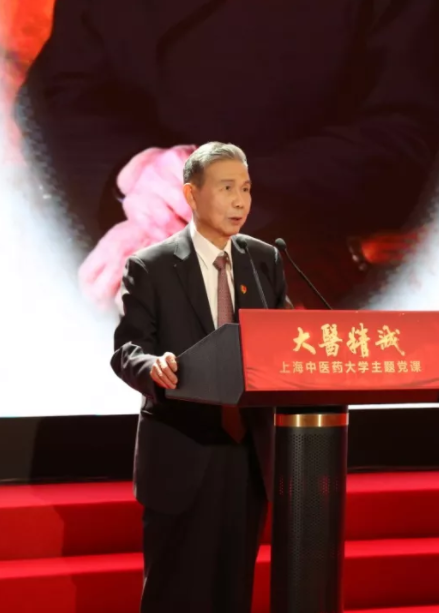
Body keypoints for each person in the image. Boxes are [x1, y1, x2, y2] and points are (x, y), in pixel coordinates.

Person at [15, 0, 439, 309]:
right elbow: (57, 94)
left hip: (321, 269)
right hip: (113, 250)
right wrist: (138, 170)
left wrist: (213, 199)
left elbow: (411, 137)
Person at [111, 143, 286, 612]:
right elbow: (127, 351)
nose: (240, 201)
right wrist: (154, 367)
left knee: (233, 591)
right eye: (227, 188)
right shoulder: (150, 265)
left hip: (247, 454)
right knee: (174, 594)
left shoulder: (265, 261)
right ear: (191, 194)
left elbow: (285, 341)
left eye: (246, 189)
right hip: (181, 451)